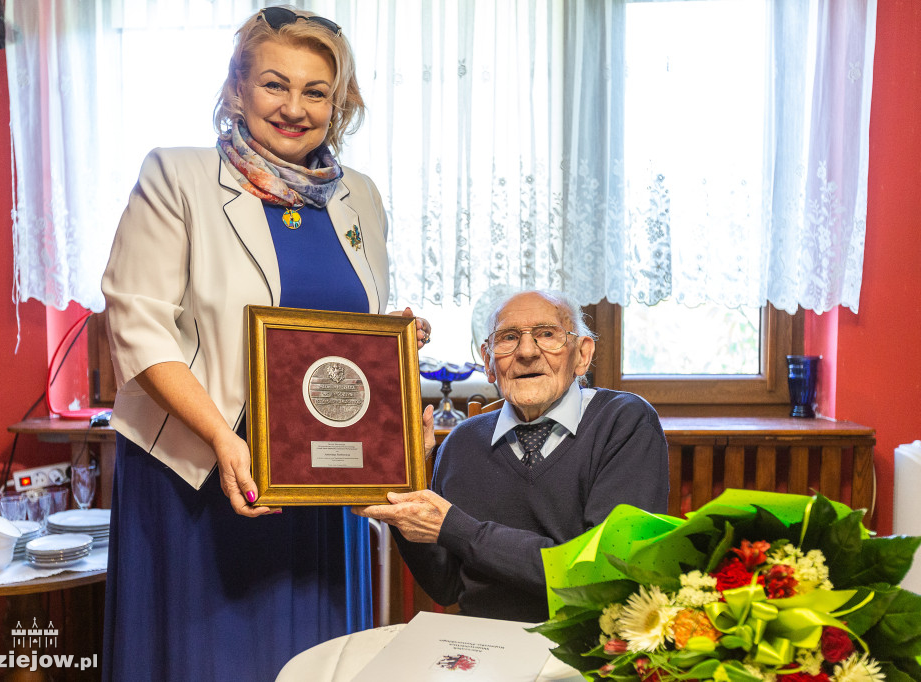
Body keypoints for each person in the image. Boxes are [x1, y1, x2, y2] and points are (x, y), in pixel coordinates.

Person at [100, 8, 431, 680]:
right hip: (199, 478)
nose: (295, 107)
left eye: (317, 92)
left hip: (320, 489)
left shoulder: (359, 197)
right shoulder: (177, 176)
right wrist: (225, 440)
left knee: (319, 662)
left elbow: (335, 329)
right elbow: (138, 325)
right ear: (236, 91)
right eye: (275, 85)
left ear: (340, 105)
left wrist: (389, 343)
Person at [355, 290, 668, 623]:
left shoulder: (625, 422)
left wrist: (461, 530)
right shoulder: (462, 442)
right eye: (508, 338)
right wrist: (404, 474)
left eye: (548, 334)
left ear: (582, 355)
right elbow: (446, 587)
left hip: (584, 645)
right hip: (481, 649)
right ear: (489, 363)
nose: (527, 352)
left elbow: (604, 573)